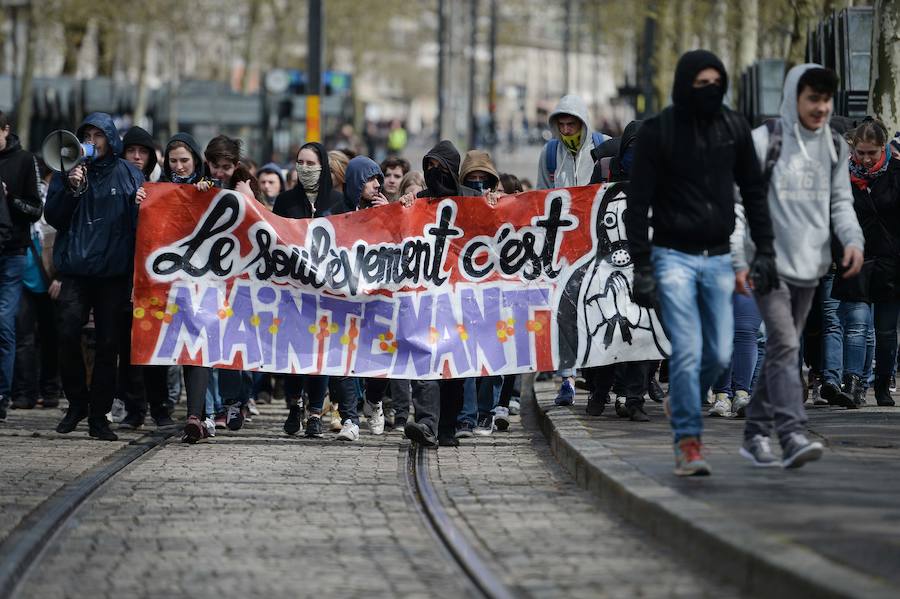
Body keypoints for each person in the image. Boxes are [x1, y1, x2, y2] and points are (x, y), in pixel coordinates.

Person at [624, 50, 778, 476]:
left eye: (717, 83)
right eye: (701, 83)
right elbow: (637, 206)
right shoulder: (658, 132)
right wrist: (643, 266)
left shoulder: (733, 129)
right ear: (684, 85)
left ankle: (684, 398)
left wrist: (763, 251)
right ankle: (688, 444)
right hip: (672, 256)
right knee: (689, 349)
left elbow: (753, 193)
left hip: (720, 259)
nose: (711, 91)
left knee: (719, 349)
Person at [733, 65, 864, 468]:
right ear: (794, 98)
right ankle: (790, 434)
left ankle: (754, 434)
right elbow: (737, 205)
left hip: (811, 266)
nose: (821, 108)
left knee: (778, 349)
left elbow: (841, 203)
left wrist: (854, 239)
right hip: (766, 264)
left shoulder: (836, 148)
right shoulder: (762, 141)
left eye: (826, 100)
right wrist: (739, 258)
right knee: (787, 346)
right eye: (813, 99)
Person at [45, 113, 142, 441]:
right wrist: (70, 189)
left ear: (111, 138)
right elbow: (54, 218)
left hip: (113, 274)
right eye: (86, 135)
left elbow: (142, 225)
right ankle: (76, 402)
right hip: (75, 271)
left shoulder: (130, 174)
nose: (91, 141)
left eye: (98, 135)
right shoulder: (66, 170)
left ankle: (98, 415)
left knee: (108, 344)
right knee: (67, 334)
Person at [273, 142, 361, 441]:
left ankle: (313, 413)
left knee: (319, 353)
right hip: (293, 291)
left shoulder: (336, 201)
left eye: (311, 163)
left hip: (325, 292)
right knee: (295, 353)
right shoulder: (286, 201)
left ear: (322, 166)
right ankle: (294, 405)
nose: (305, 168)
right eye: (300, 162)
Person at [400, 140, 481, 448]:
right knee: (426, 363)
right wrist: (404, 206)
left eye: (440, 168)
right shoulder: (419, 201)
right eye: (429, 167)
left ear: (452, 170)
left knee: (455, 370)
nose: (434, 173)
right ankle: (427, 424)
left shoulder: (473, 199)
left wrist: (494, 202)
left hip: (462, 302)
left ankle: (446, 427)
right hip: (426, 300)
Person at [536, 95, 610, 405]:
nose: (567, 130)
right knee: (565, 310)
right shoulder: (550, 153)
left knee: (598, 307)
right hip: (563, 245)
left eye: (572, 124)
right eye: (561, 124)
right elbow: (540, 197)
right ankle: (566, 377)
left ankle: (598, 379)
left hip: (599, 242)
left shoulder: (603, 146)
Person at [830, 117, 899, 408]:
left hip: (890, 263)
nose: (866, 159)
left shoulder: (896, 173)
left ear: (883, 148)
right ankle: (854, 384)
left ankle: (883, 382)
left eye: (872, 153)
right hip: (855, 259)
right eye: (861, 153)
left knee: (885, 331)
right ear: (853, 149)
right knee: (856, 325)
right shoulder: (842, 175)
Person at [0, 111, 40, 419]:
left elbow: (35, 209)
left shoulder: (25, 161)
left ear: (6, 131)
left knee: (5, 323)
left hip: (13, 252)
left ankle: (3, 391)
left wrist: (9, 198)